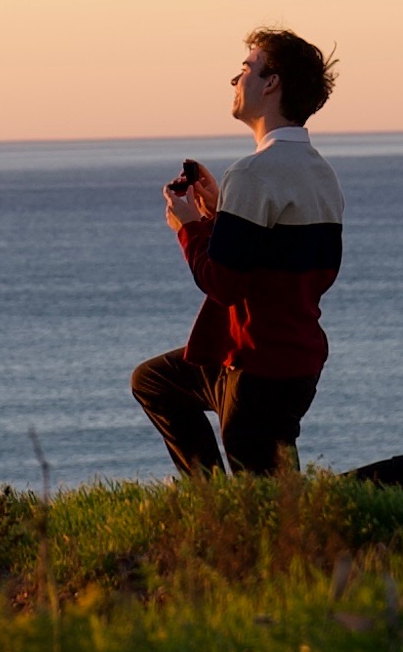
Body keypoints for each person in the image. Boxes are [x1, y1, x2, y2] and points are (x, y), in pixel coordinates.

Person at [132, 28, 346, 477]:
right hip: (292, 356)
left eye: (246, 69)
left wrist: (189, 227)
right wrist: (216, 216)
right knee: (154, 382)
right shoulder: (320, 173)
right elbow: (272, 260)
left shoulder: (252, 173)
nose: (236, 80)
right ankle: (211, 506)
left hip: (259, 365)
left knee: (272, 503)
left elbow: (224, 282)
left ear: (271, 83)